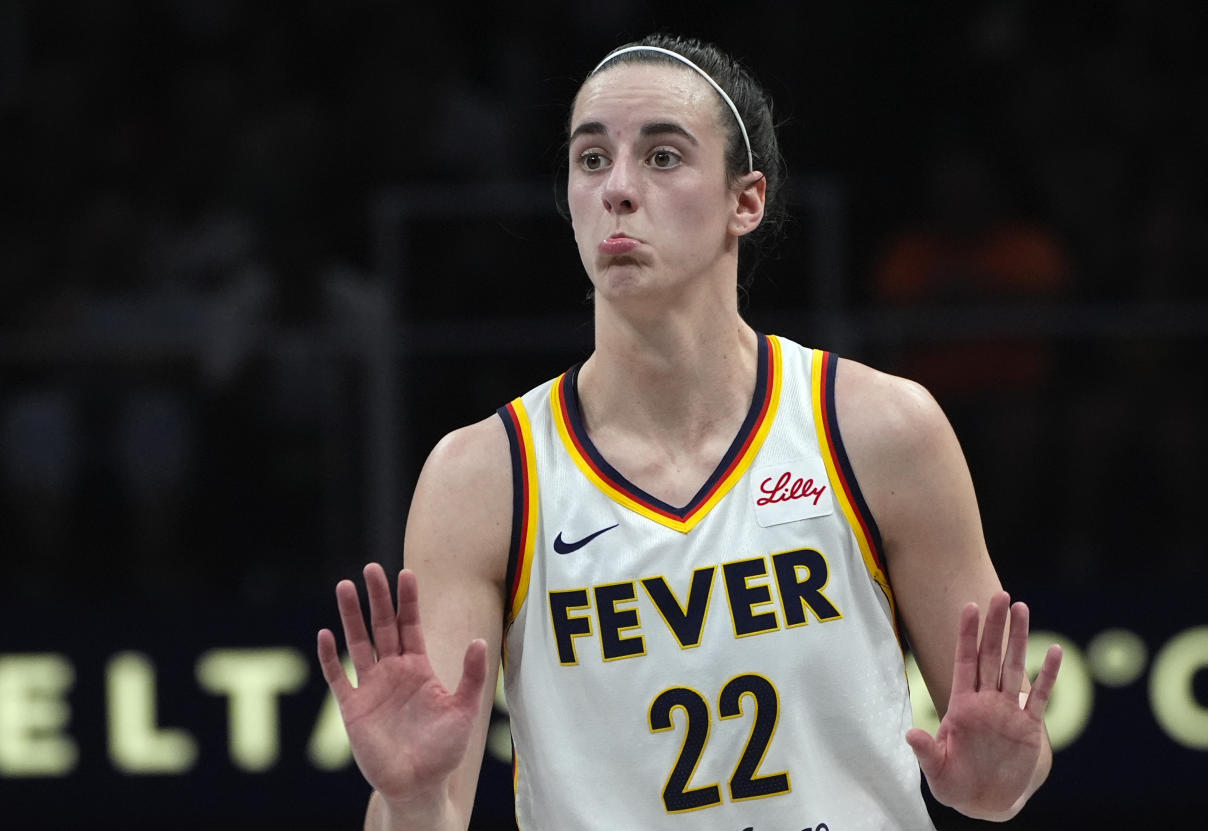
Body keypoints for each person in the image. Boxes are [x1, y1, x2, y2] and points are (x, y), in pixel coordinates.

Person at [317, 34, 1062, 830]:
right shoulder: (483, 477)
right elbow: (433, 812)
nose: (619, 189)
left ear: (746, 201)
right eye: (591, 159)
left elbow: (995, 777)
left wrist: (1001, 782)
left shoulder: (881, 429)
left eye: (663, 157)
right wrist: (410, 795)